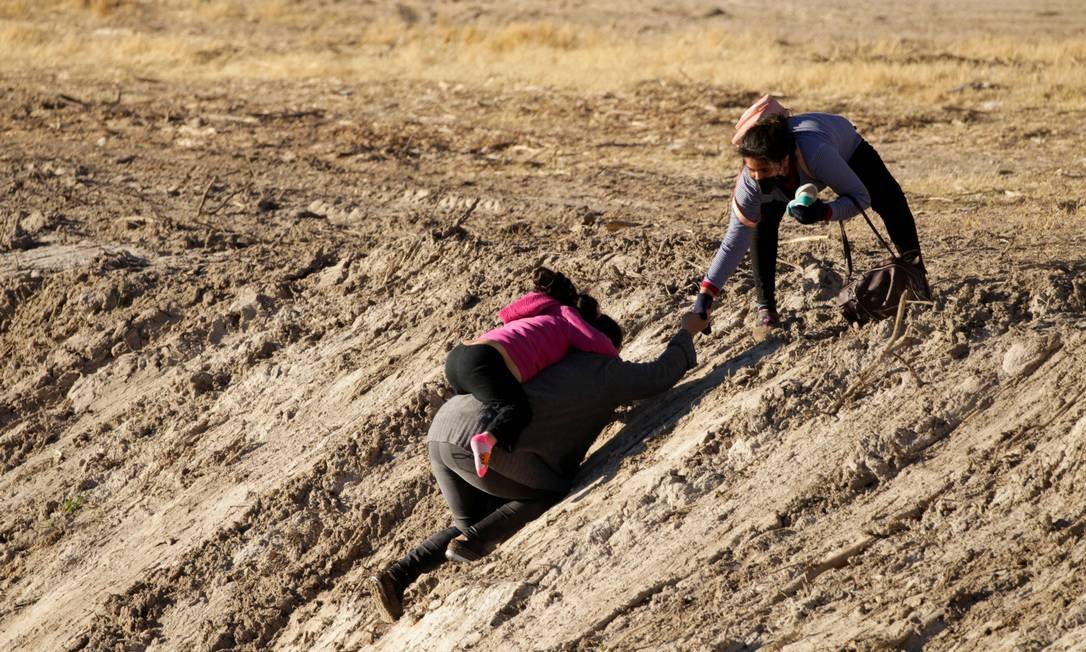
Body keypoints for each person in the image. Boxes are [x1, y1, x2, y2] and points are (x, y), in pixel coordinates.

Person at [367, 311, 709, 622]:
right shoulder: (603, 368)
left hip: (443, 429)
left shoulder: (545, 357)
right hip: (482, 438)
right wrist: (686, 332)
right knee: (549, 491)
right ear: (606, 345)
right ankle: (471, 541)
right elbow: (658, 376)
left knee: (471, 519)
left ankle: (396, 576)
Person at [692, 106, 929, 328]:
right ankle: (766, 309)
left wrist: (824, 211)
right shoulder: (750, 182)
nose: (755, 176)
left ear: (784, 161)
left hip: (845, 147)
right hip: (793, 176)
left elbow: (860, 197)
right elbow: (735, 238)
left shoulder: (817, 154)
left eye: (763, 170)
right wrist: (707, 292)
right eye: (750, 169)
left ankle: (916, 277)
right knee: (760, 225)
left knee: (891, 202)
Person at [446, 267, 619, 477]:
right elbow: (597, 342)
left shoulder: (535, 314)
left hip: (457, 357)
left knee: (476, 410)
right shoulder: (565, 314)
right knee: (517, 409)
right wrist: (617, 363)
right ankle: (486, 440)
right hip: (484, 361)